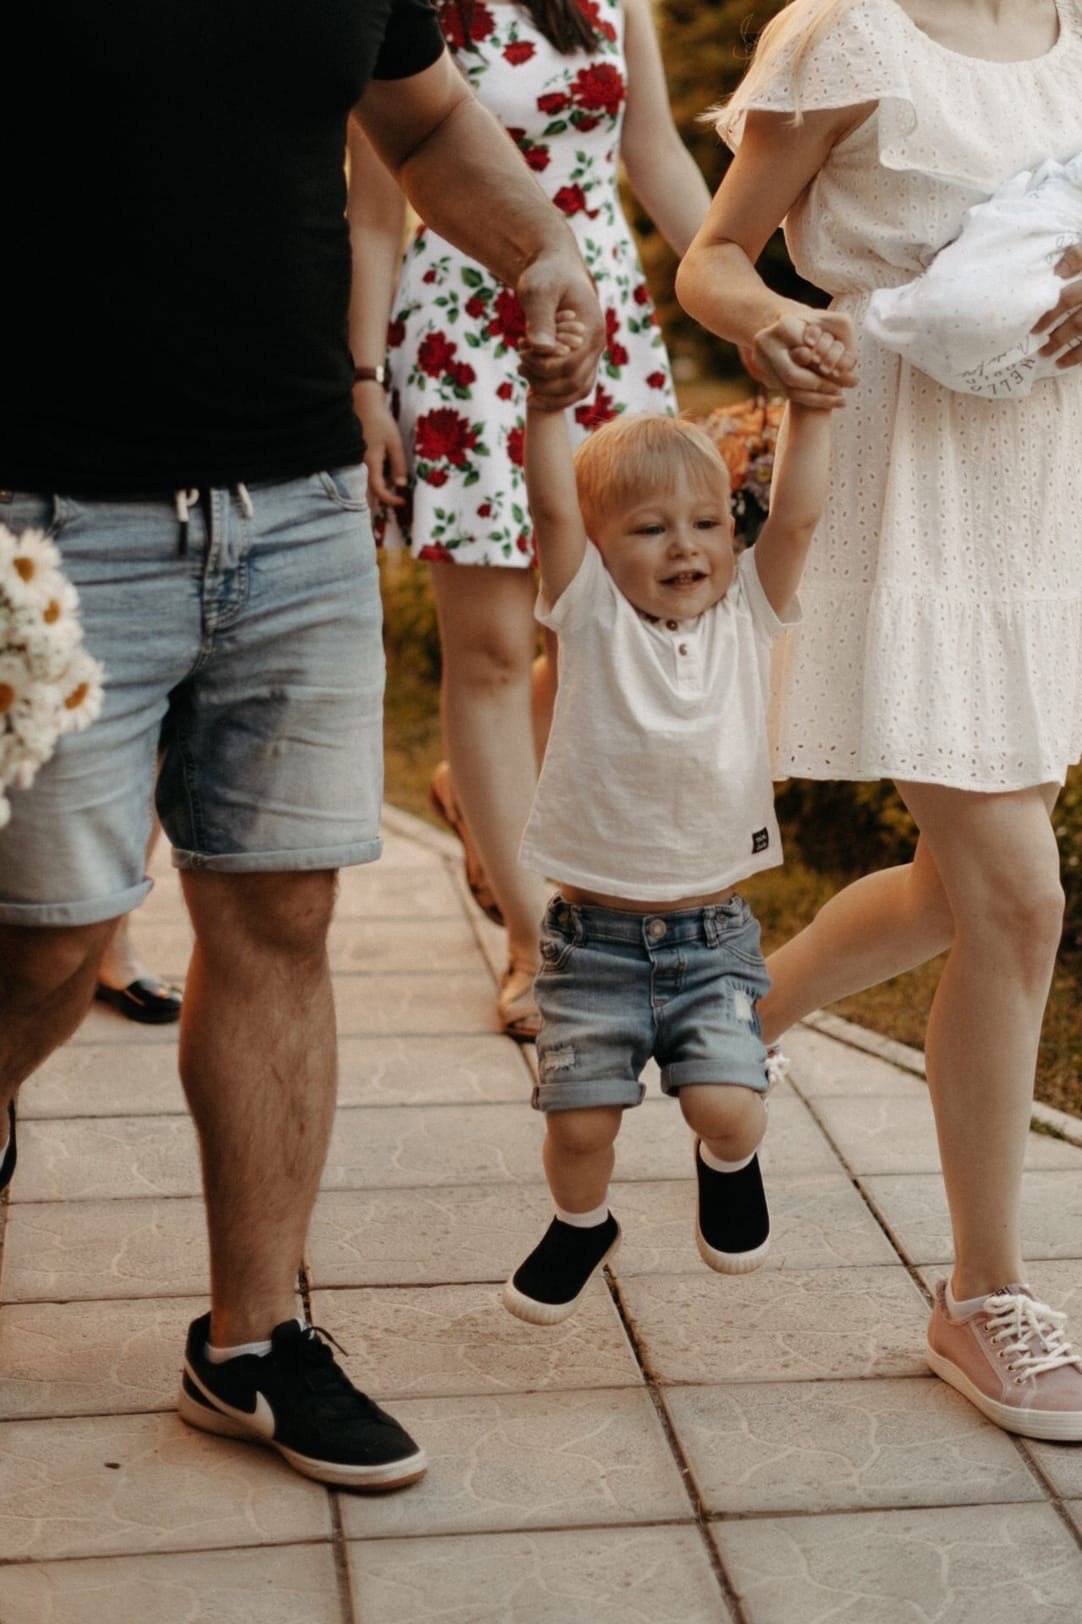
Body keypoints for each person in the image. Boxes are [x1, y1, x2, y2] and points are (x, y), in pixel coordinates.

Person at [0, 0, 603, 1491]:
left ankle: (252, 1342)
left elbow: (423, 116)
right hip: (45, 520)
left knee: (278, 910)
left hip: (298, 510)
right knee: (52, 937)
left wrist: (545, 247)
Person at [676, 0, 1082, 1440]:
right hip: (903, 487)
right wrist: (781, 324)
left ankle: (733, 1021)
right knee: (1016, 902)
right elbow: (714, 256)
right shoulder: (844, 35)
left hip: (1045, 489)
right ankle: (981, 1298)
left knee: (956, 889)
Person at [348, 0, 711, 1039]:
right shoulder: (409, 10)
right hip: (467, 335)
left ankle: (476, 784)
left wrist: (749, 287)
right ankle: (527, 934)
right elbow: (377, 212)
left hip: (601, 324)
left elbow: (654, 157)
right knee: (494, 649)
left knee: (615, 627)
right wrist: (365, 381)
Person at [502, 311, 843, 1324]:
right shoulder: (588, 615)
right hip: (588, 946)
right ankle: (580, 1225)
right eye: (648, 529)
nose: (683, 546)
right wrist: (547, 407)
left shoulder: (747, 618)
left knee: (727, 1101)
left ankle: (726, 1160)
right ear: (600, 552)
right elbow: (550, 512)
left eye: (704, 522)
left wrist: (811, 408)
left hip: (711, 940)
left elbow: (796, 522)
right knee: (577, 1126)